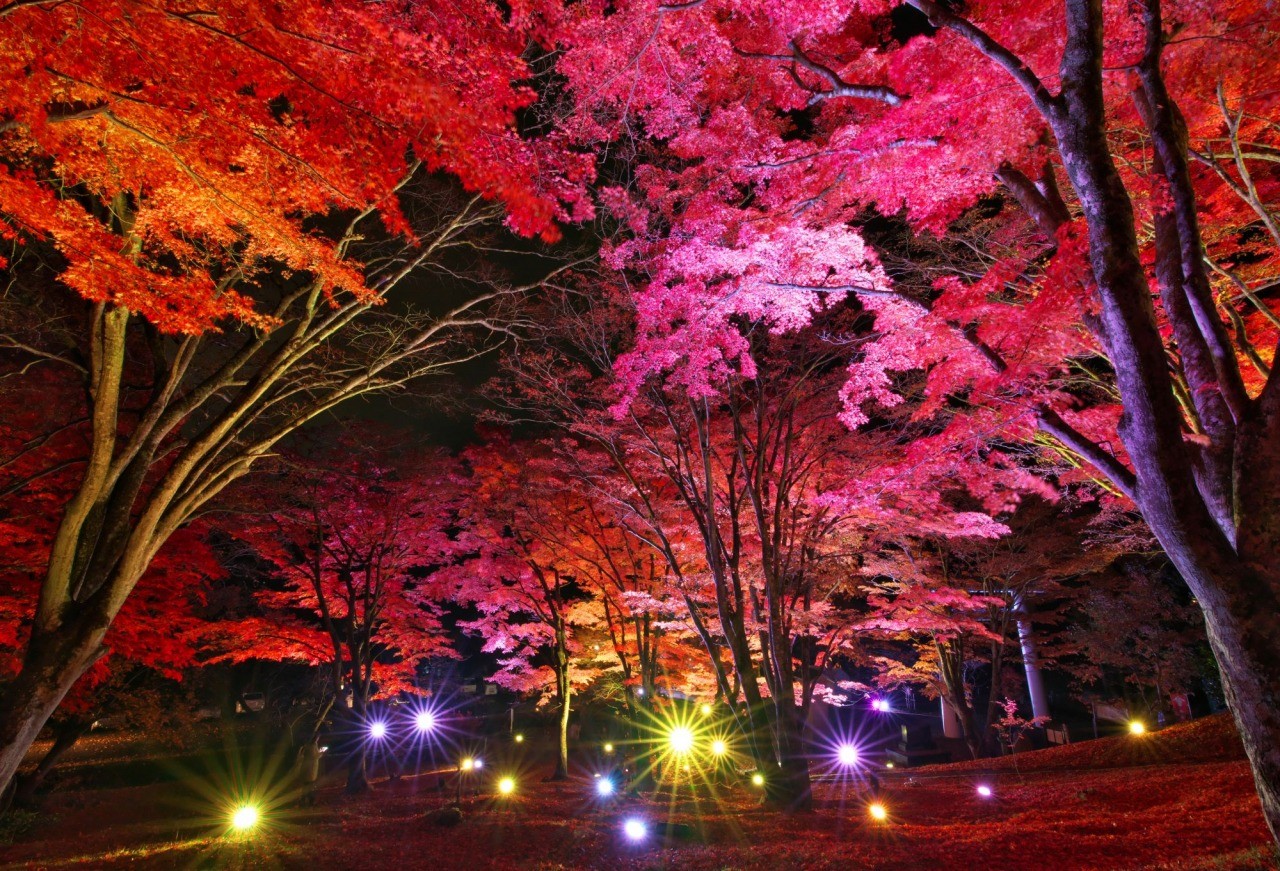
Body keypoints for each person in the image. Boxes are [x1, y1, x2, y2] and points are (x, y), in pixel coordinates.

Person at [296, 738, 323, 807]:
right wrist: (321, 753)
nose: (318, 739)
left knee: (306, 786)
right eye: (317, 738)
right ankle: (309, 801)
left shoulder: (308, 746)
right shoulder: (311, 746)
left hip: (307, 769)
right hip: (310, 769)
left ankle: (304, 801)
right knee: (309, 786)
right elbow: (314, 756)